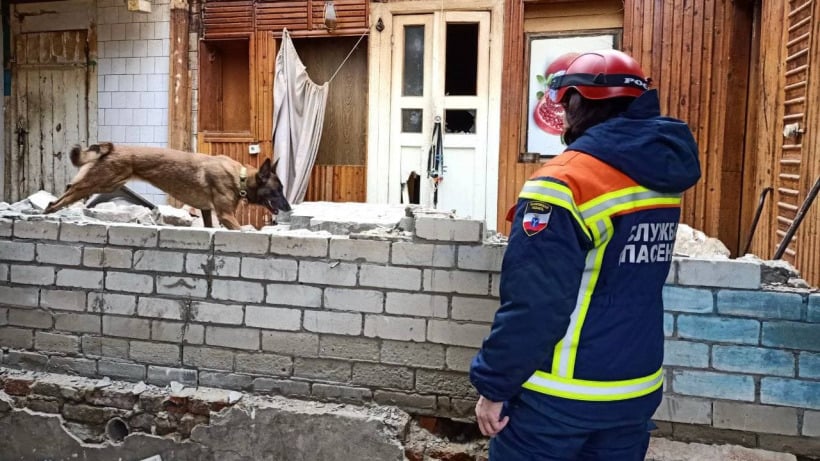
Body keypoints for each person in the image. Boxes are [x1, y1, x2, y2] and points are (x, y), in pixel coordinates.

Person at [469, 49, 701, 460]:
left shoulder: (563, 183)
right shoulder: (660, 175)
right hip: (635, 388)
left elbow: (535, 305)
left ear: (576, 103)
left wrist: (494, 386)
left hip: (557, 397)